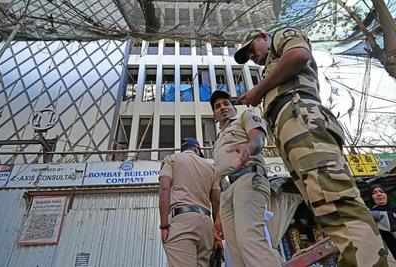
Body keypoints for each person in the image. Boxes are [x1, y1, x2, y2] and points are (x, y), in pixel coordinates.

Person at [235, 27, 389, 266]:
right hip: (292, 128)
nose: (251, 58)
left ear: (262, 36)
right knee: (325, 207)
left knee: (335, 200)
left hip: (302, 119)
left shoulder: (281, 37)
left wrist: (259, 90)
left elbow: (299, 56)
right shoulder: (272, 67)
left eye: (249, 50)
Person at [210, 90, 282, 267]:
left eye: (226, 103)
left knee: (249, 240)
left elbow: (257, 141)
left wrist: (249, 147)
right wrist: (217, 216)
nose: (223, 108)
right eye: (218, 106)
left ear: (233, 108)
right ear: (214, 115)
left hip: (248, 178)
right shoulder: (218, 140)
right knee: (234, 252)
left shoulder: (245, 116)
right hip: (227, 191)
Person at [159, 137, 221, 267]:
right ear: (197, 149)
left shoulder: (171, 159)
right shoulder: (211, 167)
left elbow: (165, 189)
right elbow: (216, 201)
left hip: (183, 221)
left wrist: (164, 226)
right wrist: (216, 231)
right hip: (206, 224)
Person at [370, 185, 396, 259]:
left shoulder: (394, 208)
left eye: (381, 191)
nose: (379, 194)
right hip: (389, 254)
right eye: (374, 192)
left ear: (386, 195)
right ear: (371, 197)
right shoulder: (370, 215)